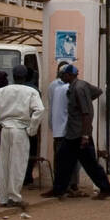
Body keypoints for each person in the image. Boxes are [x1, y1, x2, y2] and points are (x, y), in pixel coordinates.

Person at [43, 64, 110, 200]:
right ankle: (59, 189)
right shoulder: (80, 85)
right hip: (73, 133)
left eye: (63, 74)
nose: (61, 77)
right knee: (63, 160)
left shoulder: (78, 88)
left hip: (79, 134)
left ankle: (106, 189)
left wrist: (85, 135)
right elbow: (98, 91)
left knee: (89, 164)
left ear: (69, 75)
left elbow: (86, 114)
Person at [0, 69, 45, 208]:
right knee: (17, 164)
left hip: (5, 129)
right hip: (20, 130)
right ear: (26, 76)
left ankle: (3, 198)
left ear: (13, 76)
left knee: (5, 164)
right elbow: (40, 110)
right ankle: (14, 197)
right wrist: (32, 129)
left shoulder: (2, 91)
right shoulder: (31, 92)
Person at [46, 61, 82, 193]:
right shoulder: (64, 88)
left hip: (61, 128)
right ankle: (67, 185)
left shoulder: (57, 86)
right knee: (66, 158)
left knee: (64, 158)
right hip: (65, 128)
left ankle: (65, 185)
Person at [14, 65, 42, 186]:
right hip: (29, 126)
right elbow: (39, 110)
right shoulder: (34, 91)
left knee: (16, 154)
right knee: (29, 152)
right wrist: (33, 128)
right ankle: (27, 177)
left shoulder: (9, 89)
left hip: (14, 126)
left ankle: (17, 179)